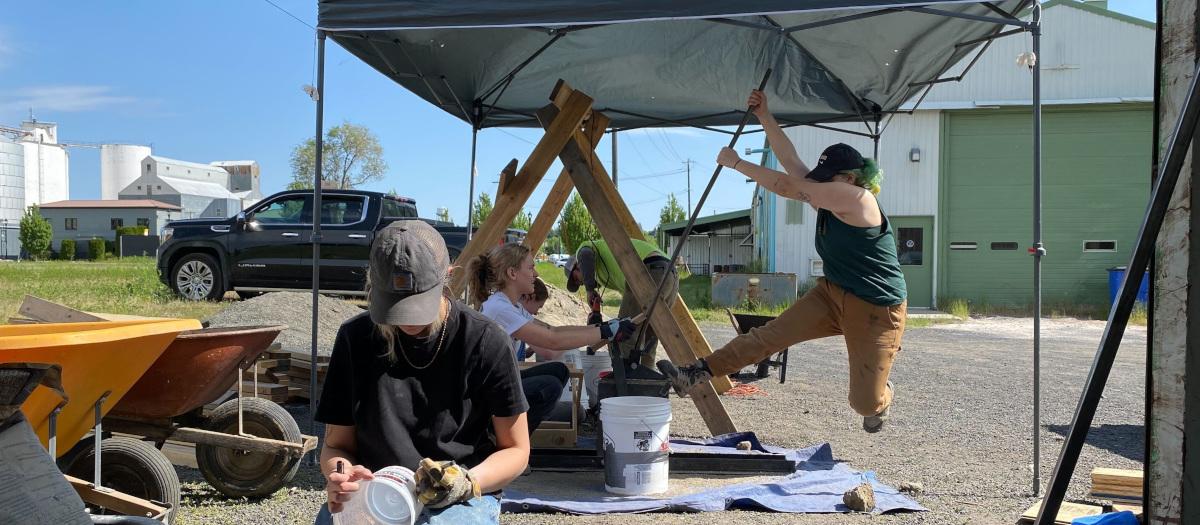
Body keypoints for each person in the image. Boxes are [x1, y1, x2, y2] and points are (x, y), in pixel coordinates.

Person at [661, 90, 908, 434]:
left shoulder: (858, 199)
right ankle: (695, 372)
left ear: (849, 178)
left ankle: (883, 395)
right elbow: (791, 163)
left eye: (825, 179)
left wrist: (736, 163)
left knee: (863, 404)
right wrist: (765, 116)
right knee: (768, 337)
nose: (816, 186)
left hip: (875, 309)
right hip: (832, 294)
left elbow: (788, 185)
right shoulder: (829, 196)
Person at [314, 221, 529, 525]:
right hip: (379, 491)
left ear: (447, 277)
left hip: (459, 498)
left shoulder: (486, 340)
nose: (407, 319)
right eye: (395, 304)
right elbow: (336, 446)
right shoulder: (355, 338)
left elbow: (517, 449)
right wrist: (341, 474)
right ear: (373, 285)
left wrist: (466, 482)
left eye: (417, 303)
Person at [468, 243, 636, 434]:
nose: (536, 274)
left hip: (495, 384)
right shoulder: (499, 308)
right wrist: (605, 332)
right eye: (530, 267)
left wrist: (600, 328)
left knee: (558, 371)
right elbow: (552, 344)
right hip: (486, 395)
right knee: (549, 387)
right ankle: (503, 440)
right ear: (512, 273)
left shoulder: (511, 305)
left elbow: (551, 330)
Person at [563, 237, 677, 369]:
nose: (581, 284)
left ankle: (625, 385)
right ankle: (647, 383)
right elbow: (632, 304)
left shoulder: (584, 250)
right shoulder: (607, 270)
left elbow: (585, 255)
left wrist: (589, 289)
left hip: (648, 269)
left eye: (577, 280)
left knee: (624, 334)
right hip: (670, 273)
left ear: (578, 266)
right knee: (649, 336)